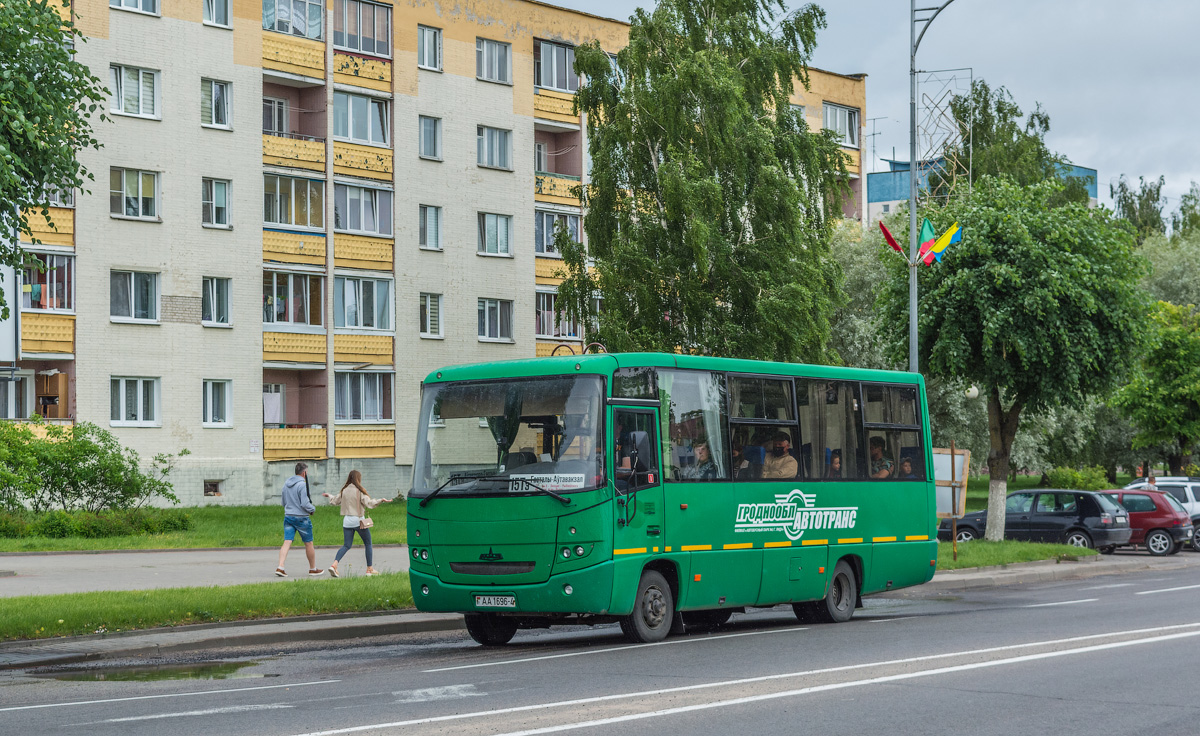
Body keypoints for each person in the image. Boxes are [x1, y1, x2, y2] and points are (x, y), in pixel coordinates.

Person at [323, 469, 392, 577]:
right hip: (358, 521)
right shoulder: (359, 491)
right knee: (368, 543)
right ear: (358, 479)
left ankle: (334, 565)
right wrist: (381, 500)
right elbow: (369, 503)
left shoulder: (344, 490)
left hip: (347, 521)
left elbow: (335, 501)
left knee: (346, 545)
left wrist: (329, 496)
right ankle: (369, 569)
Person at [276, 462, 323, 577]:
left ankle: (280, 567)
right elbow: (305, 503)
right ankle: (312, 568)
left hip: (288, 517)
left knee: (287, 541)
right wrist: (312, 509)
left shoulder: (286, 484)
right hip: (302, 519)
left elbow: (283, 502)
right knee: (308, 543)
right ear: (304, 473)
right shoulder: (302, 484)